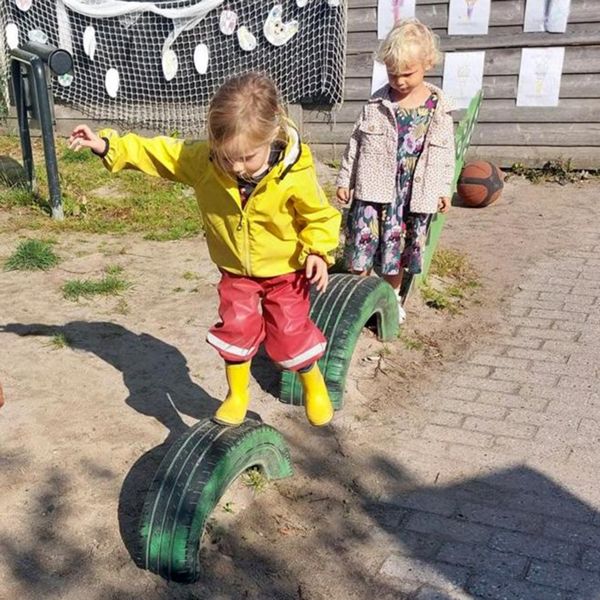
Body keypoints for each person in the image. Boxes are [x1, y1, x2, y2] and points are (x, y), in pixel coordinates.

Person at [68, 72, 341, 427]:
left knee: (289, 335)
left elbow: (319, 215)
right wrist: (108, 146)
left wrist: (318, 251)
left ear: (272, 135)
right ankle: (237, 394)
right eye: (227, 157)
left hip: (286, 270)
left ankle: (313, 384)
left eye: (247, 157)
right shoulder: (205, 162)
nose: (236, 167)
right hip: (236, 271)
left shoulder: (294, 170)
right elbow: (159, 153)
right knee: (236, 328)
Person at [336, 18, 455, 323]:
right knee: (362, 244)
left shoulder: (438, 108)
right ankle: (359, 297)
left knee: (397, 251)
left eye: (407, 73)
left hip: (411, 195)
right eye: (392, 73)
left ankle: (391, 298)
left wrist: (444, 189)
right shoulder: (376, 104)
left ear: (427, 63)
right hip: (373, 189)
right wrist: (345, 179)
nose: (399, 81)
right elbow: (355, 144)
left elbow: (445, 153)